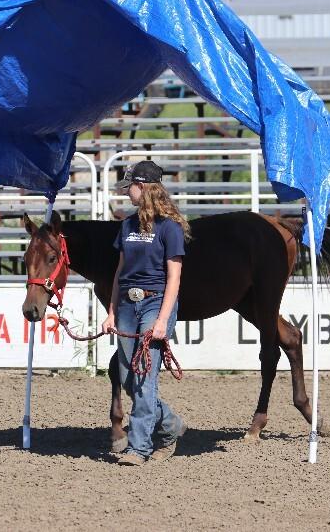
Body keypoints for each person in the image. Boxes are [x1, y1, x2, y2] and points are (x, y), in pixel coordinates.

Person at [101, 160, 191, 466]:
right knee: (128, 377)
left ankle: (138, 448)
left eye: (131, 186)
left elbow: (174, 277)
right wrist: (112, 311)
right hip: (127, 303)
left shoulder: (171, 228)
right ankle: (172, 425)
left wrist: (163, 319)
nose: (128, 192)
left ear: (145, 187)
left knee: (144, 377)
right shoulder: (126, 225)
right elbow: (119, 271)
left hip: (155, 303)